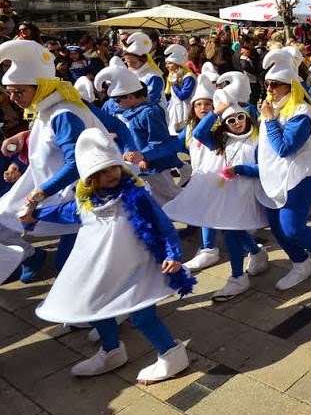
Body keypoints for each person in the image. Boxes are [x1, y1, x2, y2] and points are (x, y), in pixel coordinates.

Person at [22, 128, 191, 383]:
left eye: (114, 167)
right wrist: (32, 214)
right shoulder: (84, 204)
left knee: (142, 317)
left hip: (138, 269)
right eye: (102, 171)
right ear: (90, 178)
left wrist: (173, 255)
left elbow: (164, 227)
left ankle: (172, 355)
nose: (111, 174)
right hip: (104, 269)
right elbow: (60, 213)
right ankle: (112, 351)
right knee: (95, 306)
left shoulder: (137, 197)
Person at [0, 40, 104, 281]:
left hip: (74, 196)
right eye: (9, 92)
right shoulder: (48, 107)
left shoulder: (63, 113)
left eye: (19, 92)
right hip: (56, 191)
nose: (13, 98)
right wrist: (24, 139)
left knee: (69, 267)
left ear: (41, 87)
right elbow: (48, 144)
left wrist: (37, 196)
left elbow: (75, 163)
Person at [163, 89, 269, 300]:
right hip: (227, 194)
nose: (237, 123)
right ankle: (256, 254)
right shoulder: (222, 141)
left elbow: (266, 168)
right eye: (231, 120)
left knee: (231, 232)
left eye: (240, 117)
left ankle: (238, 277)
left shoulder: (258, 140)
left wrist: (241, 169)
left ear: (247, 117)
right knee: (233, 230)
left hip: (248, 194)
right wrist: (216, 111)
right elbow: (199, 133)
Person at [258, 49, 311, 291]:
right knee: (276, 226)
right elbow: (265, 146)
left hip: (303, 174)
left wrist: (269, 119)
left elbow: (284, 148)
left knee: (292, 228)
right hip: (276, 175)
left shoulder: (301, 113)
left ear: (291, 86)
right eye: (267, 84)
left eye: (276, 84)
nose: (270, 89)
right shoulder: (274, 107)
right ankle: (300, 263)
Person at [95, 58, 185, 206]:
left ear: (130, 97)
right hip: (134, 164)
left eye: (117, 100)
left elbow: (159, 141)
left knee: (169, 195)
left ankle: (189, 214)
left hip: (153, 165)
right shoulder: (128, 111)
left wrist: (145, 157)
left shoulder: (149, 113)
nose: (116, 104)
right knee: (149, 199)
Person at [164, 44, 196, 135]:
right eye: (166, 63)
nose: (167, 66)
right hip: (174, 108)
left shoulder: (188, 77)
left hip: (185, 109)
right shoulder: (173, 75)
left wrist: (174, 84)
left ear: (177, 64)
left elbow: (183, 96)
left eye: (170, 63)